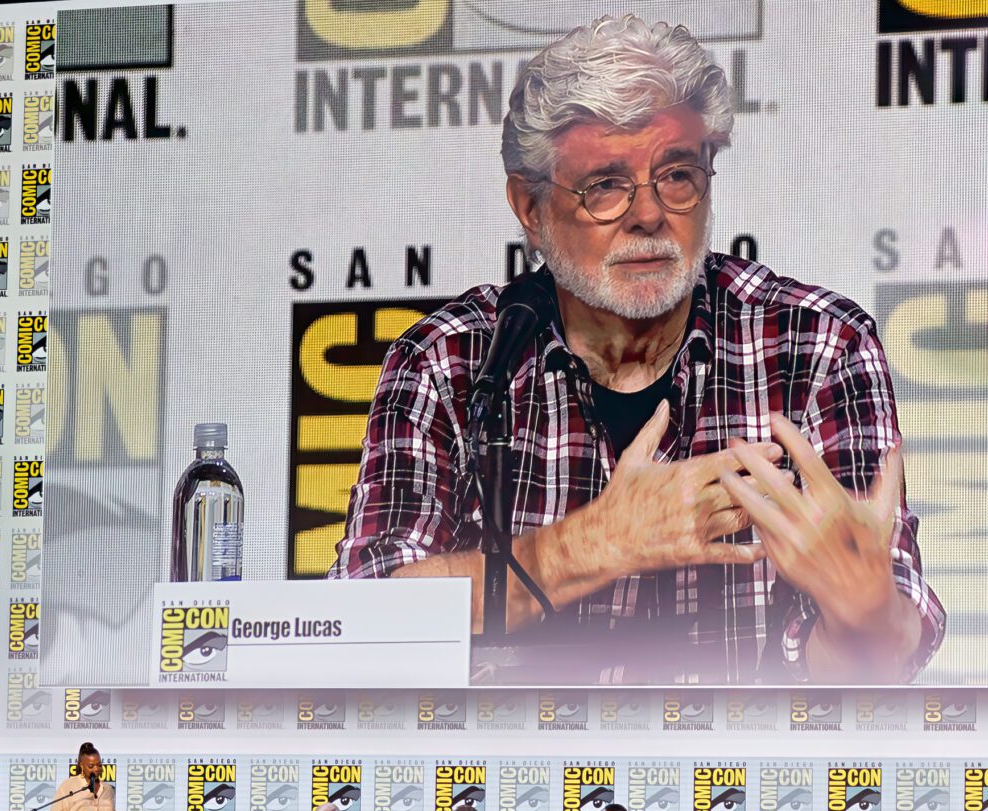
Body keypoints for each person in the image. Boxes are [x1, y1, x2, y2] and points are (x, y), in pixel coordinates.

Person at [329, 15, 945, 686]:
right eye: (604, 185)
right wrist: (599, 541)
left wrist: (863, 613)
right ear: (529, 209)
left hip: (737, 781)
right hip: (509, 783)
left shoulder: (817, 343)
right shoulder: (450, 361)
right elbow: (360, 628)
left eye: (676, 175)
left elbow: (869, 671)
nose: (648, 214)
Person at [50, 742, 119, 811]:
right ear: (81, 765)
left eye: (99, 765)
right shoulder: (68, 786)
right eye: (91, 766)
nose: (96, 769)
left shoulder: (108, 789)